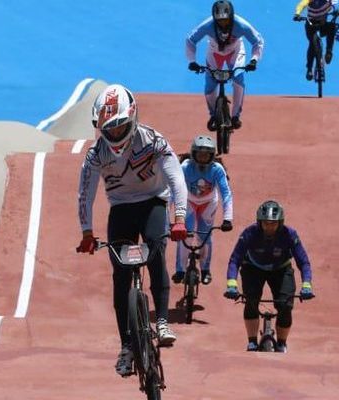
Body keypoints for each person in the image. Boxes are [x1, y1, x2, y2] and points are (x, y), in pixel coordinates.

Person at [76, 84, 190, 377]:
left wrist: (178, 217)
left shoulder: (153, 140)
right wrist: (87, 232)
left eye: (120, 126)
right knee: (120, 273)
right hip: (121, 208)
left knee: (155, 251)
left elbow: (176, 178)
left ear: (133, 117)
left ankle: (162, 321)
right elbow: (84, 194)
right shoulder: (96, 154)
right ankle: (126, 345)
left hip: (152, 202)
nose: (114, 134)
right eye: (108, 129)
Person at [223, 200, 315, 353]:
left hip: (281, 268)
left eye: (273, 224)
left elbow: (303, 262)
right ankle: (252, 342)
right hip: (253, 267)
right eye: (266, 223)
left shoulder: (290, 234)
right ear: (259, 223)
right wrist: (231, 283)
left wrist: (307, 284)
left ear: (280, 223)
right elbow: (235, 259)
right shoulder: (249, 233)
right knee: (251, 300)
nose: (270, 227)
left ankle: (281, 343)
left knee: (285, 306)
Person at [186, 0, 265, 131]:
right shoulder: (208, 25)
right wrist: (192, 61)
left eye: (226, 20)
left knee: (238, 79)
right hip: (214, 53)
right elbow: (190, 39)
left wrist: (254, 60)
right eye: (219, 20)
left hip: (235, 52)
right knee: (210, 84)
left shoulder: (241, 25)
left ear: (232, 16)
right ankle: (213, 115)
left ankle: (235, 116)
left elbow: (258, 41)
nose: (223, 23)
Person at [174, 135, 234, 286]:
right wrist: (166, 217)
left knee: (205, 237)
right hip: (188, 201)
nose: (202, 158)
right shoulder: (185, 167)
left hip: (208, 204)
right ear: (193, 154)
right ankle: (180, 270)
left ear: (212, 155)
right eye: (199, 154)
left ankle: (206, 270)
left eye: (206, 154)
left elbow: (226, 193)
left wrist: (228, 218)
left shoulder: (217, 169)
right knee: (184, 235)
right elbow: (173, 191)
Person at [293, 0, 339, 81]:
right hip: (311, 25)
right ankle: (309, 69)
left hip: (322, 24)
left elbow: (334, 6)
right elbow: (302, 4)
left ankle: (328, 52)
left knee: (332, 27)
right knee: (312, 44)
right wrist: (297, 14)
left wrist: (336, 12)